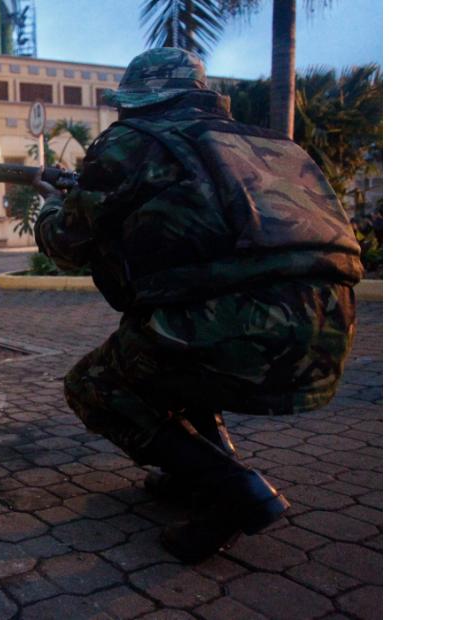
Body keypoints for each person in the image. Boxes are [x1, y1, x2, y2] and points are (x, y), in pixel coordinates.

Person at [33, 48, 361, 563]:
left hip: (233, 331)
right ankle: (198, 476)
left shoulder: (130, 142)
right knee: (172, 355)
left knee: (93, 385)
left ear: (139, 101)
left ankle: (236, 491)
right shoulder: (266, 144)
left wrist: (51, 200)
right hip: (329, 334)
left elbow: (66, 246)